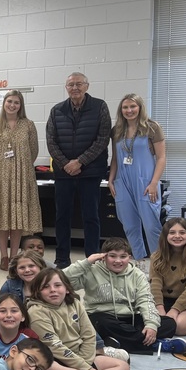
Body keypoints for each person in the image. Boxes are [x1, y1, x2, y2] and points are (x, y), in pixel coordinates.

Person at [26, 268, 130, 370]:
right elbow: (54, 347)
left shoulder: (74, 304)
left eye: (57, 285)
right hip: (56, 359)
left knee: (123, 367)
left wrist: (85, 364)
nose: (52, 290)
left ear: (67, 289)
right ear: (37, 292)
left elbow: (89, 334)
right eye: (45, 287)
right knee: (49, 367)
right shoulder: (36, 311)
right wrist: (88, 369)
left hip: (80, 357)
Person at [65, 237, 180, 355]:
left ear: (129, 258)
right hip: (103, 317)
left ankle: (118, 341)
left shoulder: (137, 274)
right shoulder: (91, 270)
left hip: (131, 317)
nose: (118, 261)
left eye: (123, 256)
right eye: (112, 256)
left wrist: (151, 325)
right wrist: (86, 262)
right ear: (103, 257)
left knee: (169, 323)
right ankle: (153, 344)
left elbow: (145, 300)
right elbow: (62, 279)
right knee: (98, 323)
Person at [46, 72, 112, 267]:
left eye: (79, 84)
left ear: (87, 86)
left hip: (91, 172)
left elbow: (103, 139)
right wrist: (66, 164)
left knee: (91, 216)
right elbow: (51, 140)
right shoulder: (56, 110)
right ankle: (62, 259)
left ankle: (93, 259)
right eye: (71, 85)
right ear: (66, 88)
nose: (75, 88)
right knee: (62, 217)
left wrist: (80, 162)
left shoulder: (100, 107)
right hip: (63, 172)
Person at [0, 89, 43, 270]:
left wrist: (21, 167)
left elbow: (34, 151)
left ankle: (14, 255)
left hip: (22, 177)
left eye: (16, 102)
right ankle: (3, 256)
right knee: (3, 217)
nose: (12, 105)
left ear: (21, 105)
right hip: (0, 178)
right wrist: (0, 170)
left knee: (17, 218)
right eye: (9, 101)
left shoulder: (29, 125)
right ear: (4, 103)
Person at [108, 93, 166, 259]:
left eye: (133, 106)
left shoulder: (152, 128)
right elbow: (115, 159)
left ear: (140, 108)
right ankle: (139, 262)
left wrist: (154, 183)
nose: (129, 110)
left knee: (151, 225)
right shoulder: (117, 130)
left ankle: (158, 264)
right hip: (122, 182)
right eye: (125, 107)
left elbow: (161, 158)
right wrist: (111, 180)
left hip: (145, 182)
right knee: (130, 226)